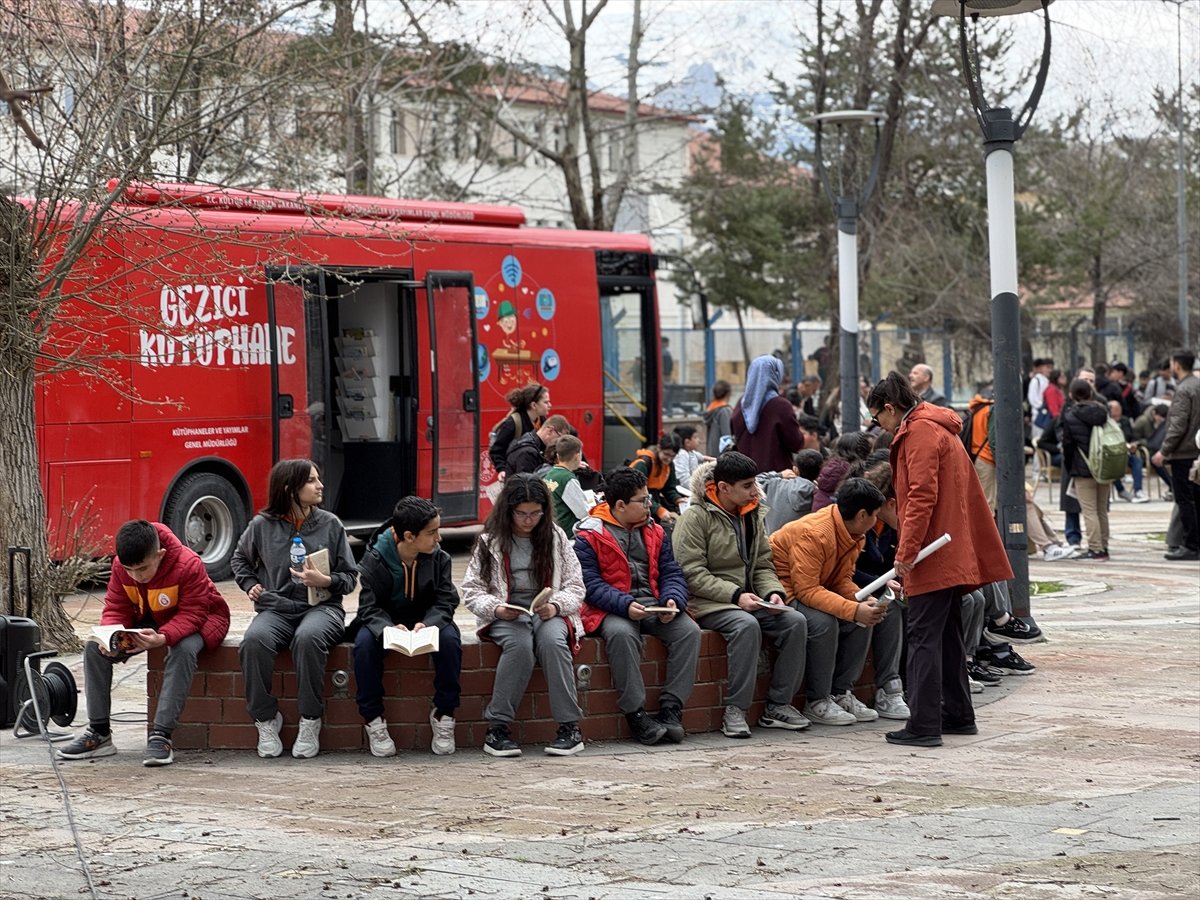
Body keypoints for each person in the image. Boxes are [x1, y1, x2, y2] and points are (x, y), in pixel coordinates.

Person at [865, 373, 1013, 747]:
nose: (878, 427)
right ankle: (957, 714)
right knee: (946, 634)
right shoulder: (936, 426)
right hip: (950, 546)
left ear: (889, 408)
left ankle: (924, 723)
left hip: (932, 551)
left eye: (878, 418)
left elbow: (919, 496)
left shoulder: (918, 433)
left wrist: (906, 552)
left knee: (923, 637)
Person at [57, 520, 231, 766]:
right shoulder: (121, 566)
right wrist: (110, 635)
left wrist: (163, 637)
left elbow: (193, 613)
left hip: (202, 620)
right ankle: (99, 733)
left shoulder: (188, 564)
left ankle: (161, 735)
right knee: (93, 650)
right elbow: (116, 606)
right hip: (149, 618)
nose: (135, 576)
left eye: (142, 569)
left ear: (160, 555)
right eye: (129, 569)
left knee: (183, 650)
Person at [671, 451, 810, 738]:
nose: (754, 491)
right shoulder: (695, 518)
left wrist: (772, 592)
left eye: (754, 484)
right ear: (723, 487)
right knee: (745, 626)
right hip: (707, 602)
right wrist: (735, 596)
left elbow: (762, 563)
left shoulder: (752, 514)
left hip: (747, 598)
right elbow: (691, 573)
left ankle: (778, 705)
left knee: (795, 622)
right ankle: (735, 709)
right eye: (747, 485)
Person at [235, 459, 358, 759]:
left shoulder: (330, 524)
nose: (320, 486)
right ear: (290, 489)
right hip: (276, 608)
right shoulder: (262, 525)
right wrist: (249, 582)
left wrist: (325, 580)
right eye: (312, 481)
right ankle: (265, 719)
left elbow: (351, 577)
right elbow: (239, 559)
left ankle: (310, 719)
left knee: (307, 639)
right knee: (253, 641)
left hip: (322, 608)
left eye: (319, 479)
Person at [461, 474, 587, 757]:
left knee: (554, 642)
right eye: (521, 514)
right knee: (519, 647)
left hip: (548, 609)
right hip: (507, 612)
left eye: (535, 513)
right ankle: (497, 728)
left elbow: (576, 586)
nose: (529, 520)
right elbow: (471, 589)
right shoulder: (490, 541)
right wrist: (495, 608)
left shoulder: (555, 537)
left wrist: (555, 606)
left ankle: (569, 727)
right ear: (509, 511)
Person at [574, 467, 702, 745]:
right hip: (610, 609)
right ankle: (636, 714)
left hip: (654, 604)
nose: (649, 506)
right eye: (643, 501)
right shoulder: (589, 535)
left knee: (689, 631)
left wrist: (673, 600)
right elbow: (590, 586)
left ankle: (671, 708)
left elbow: (672, 572)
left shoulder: (656, 531)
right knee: (621, 634)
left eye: (648, 499)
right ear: (620, 505)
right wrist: (625, 604)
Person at [771, 478, 899, 727]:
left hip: (816, 587)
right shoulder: (815, 533)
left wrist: (861, 598)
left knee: (865, 617)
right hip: (783, 590)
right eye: (875, 515)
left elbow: (842, 578)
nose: (877, 521)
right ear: (862, 515)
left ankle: (841, 693)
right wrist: (853, 609)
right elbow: (806, 590)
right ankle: (817, 700)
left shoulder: (854, 532)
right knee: (824, 622)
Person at [347, 496, 462, 758]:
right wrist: (388, 628)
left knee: (450, 642)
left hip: (428, 618)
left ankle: (444, 713)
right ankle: (373, 719)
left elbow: (447, 599)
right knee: (364, 646)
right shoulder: (375, 559)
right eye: (432, 533)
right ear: (409, 536)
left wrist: (429, 623)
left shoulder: (439, 558)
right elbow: (368, 607)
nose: (438, 539)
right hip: (387, 620)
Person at [1152, 349, 1200, 561]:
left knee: (1185, 500)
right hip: (1196, 450)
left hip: (1184, 453)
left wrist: (1165, 450)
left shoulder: (1184, 390)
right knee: (1195, 500)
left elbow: (1178, 425)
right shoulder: (1197, 386)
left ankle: (1190, 545)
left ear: (1177, 365)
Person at [1060, 379, 1112, 561]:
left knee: (1089, 510)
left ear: (1072, 395)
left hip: (1082, 468)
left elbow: (1067, 445)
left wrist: (1069, 467)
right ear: (1091, 393)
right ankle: (1104, 546)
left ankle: (1095, 549)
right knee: (1101, 510)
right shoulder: (1102, 412)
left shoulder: (1071, 415)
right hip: (1104, 467)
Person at [731, 355, 804, 474]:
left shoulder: (740, 405)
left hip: (744, 478)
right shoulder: (781, 406)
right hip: (777, 478)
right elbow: (796, 443)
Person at [488, 383, 551, 480]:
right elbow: (496, 450)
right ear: (534, 405)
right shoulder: (513, 423)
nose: (550, 405)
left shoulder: (542, 421)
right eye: (546, 402)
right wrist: (502, 469)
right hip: (515, 476)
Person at [758, 448, 822, 533]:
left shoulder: (775, 485)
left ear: (795, 469)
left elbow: (755, 481)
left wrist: (779, 475)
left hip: (773, 542)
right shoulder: (820, 495)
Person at [630, 434, 685, 525]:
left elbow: (669, 488)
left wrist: (677, 499)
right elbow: (636, 493)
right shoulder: (643, 464)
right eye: (666, 454)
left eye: (673, 456)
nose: (669, 459)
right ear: (659, 448)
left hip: (653, 500)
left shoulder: (669, 465)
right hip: (639, 503)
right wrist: (659, 510)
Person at [543, 434, 591, 535]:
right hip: (567, 536)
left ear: (557, 456)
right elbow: (583, 513)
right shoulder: (567, 479)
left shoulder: (550, 474)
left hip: (551, 530)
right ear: (577, 456)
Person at [1107, 400, 1149, 503]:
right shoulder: (1106, 423)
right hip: (1112, 453)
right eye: (1115, 413)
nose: (1118, 416)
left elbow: (1132, 436)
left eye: (1119, 411)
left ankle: (1138, 490)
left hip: (1126, 452)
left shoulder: (1125, 421)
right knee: (1111, 465)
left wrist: (1133, 444)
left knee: (1137, 461)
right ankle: (1121, 490)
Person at [506, 414, 570, 476]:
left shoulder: (530, 445)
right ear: (550, 431)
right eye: (560, 437)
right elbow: (527, 483)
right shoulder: (528, 452)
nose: (559, 442)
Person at [672, 424, 711, 496]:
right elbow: (684, 479)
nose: (698, 440)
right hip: (685, 492)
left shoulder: (690, 452)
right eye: (695, 437)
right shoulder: (682, 454)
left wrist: (716, 460)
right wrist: (698, 491)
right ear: (687, 442)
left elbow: (702, 457)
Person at [704, 380, 734, 456]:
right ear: (728, 394)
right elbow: (727, 438)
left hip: (712, 454)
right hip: (723, 458)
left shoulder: (710, 409)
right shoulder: (725, 411)